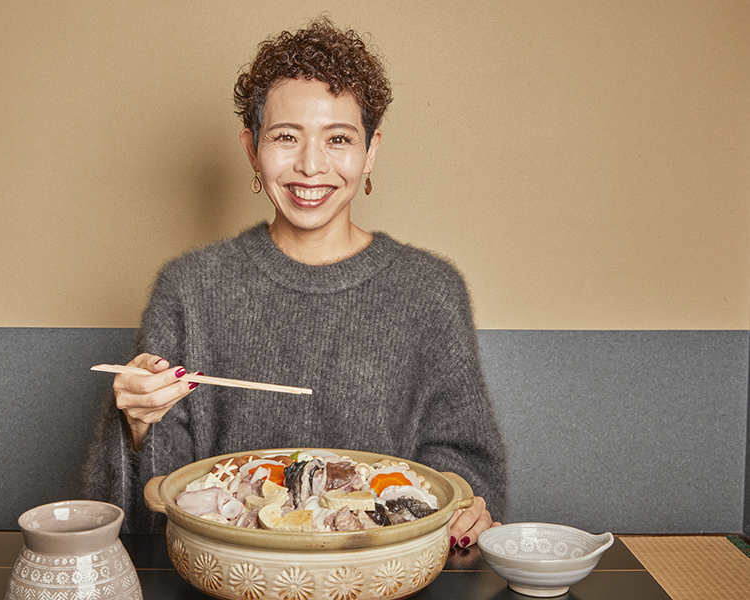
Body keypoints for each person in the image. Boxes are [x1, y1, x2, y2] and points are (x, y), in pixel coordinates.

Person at [83, 17, 507, 548]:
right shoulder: (189, 289)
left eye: (339, 139)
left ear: (371, 150)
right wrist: (139, 424)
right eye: (286, 137)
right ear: (251, 147)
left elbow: (466, 471)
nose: (311, 166)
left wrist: (463, 514)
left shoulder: (430, 291)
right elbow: (153, 510)